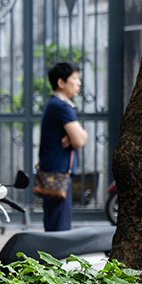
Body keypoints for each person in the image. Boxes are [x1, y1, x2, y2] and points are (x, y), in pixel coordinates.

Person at [37, 62, 88, 232]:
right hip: (58, 177)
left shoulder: (54, 104)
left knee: (54, 225)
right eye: (75, 79)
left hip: (53, 173)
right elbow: (80, 140)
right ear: (61, 83)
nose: (79, 83)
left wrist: (76, 135)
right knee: (59, 230)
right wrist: (76, 136)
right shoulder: (61, 106)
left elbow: (79, 137)